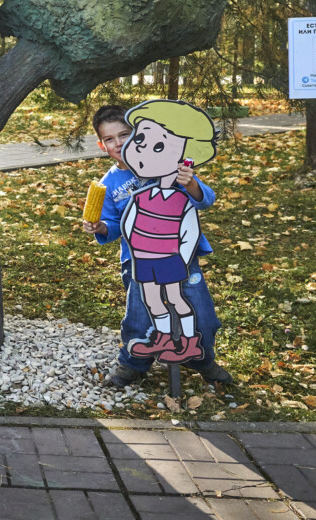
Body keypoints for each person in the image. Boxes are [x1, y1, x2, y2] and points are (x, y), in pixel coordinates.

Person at [82, 104, 233, 389]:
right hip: (139, 262)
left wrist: (190, 184)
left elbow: (206, 199)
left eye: (124, 134)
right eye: (110, 139)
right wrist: (100, 227)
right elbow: (112, 226)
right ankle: (133, 365)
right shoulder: (109, 183)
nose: (119, 143)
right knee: (140, 315)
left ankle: (201, 358)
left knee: (201, 312)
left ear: (137, 133)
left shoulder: (167, 162)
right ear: (102, 146)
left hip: (182, 257)